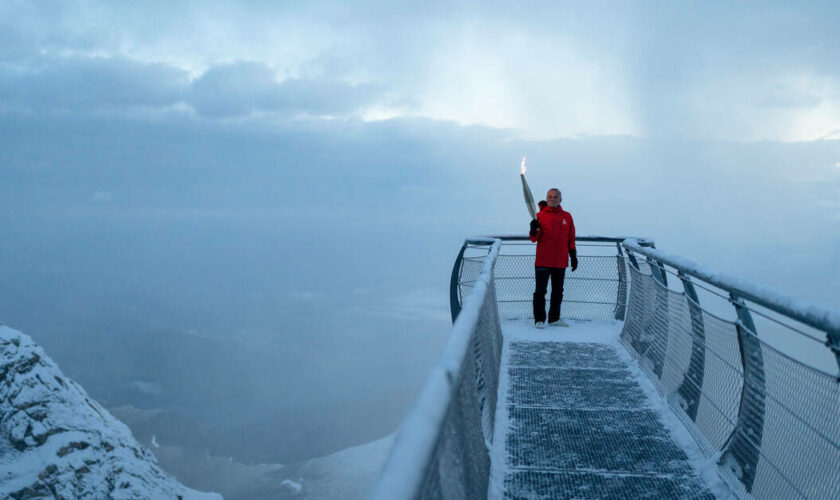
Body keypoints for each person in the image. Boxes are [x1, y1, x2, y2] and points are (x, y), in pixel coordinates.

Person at [529, 188, 577, 329]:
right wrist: (533, 229)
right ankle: (539, 319)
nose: (552, 199)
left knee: (557, 291)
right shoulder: (539, 216)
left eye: (555, 197)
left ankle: (554, 318)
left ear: (560, 199)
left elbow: (571, 238)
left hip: (560, 261)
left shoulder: (567, 217)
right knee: (540, 291)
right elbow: (534, 238)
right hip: (543, 260)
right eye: (549, 196)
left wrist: (573, 256)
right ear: (547, 198)